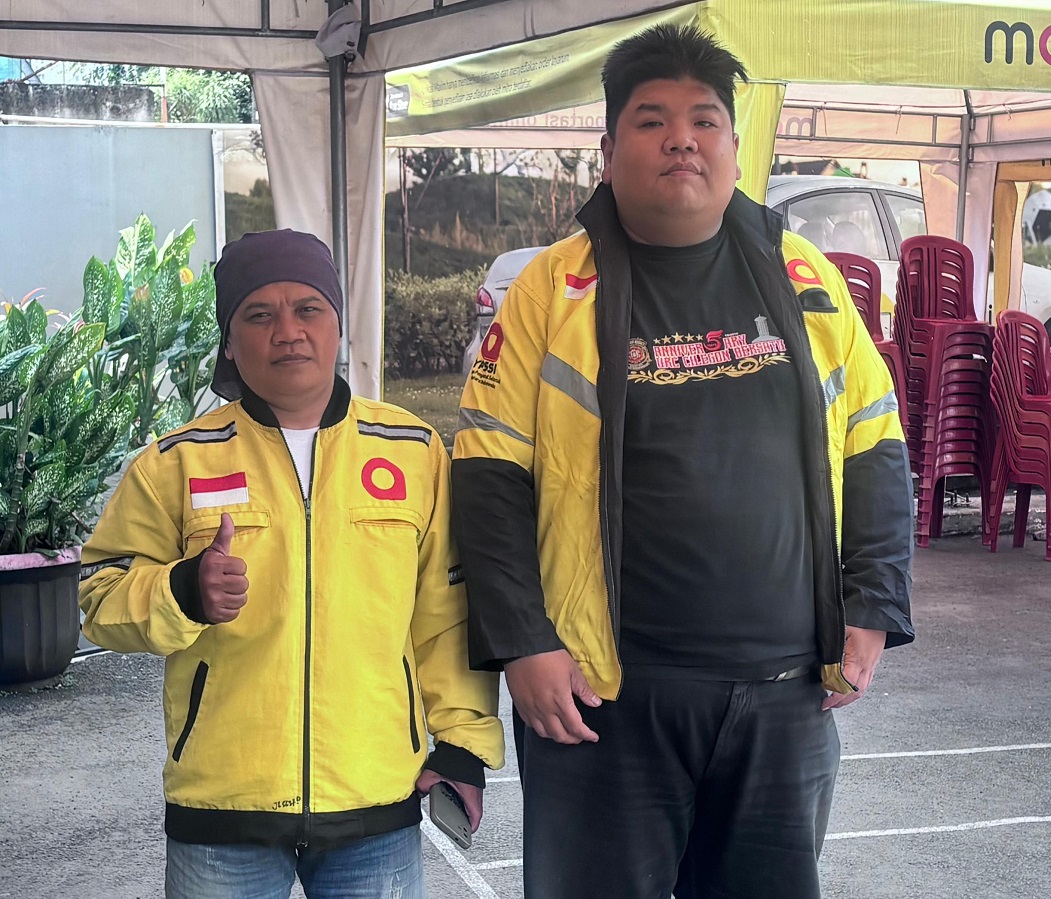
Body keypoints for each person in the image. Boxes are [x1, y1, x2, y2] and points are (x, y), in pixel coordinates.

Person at [451, 24, 913, 899]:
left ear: (734, 146)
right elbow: (487, 479)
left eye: (704, 120)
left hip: (782, 696)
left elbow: (875, 441)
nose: (681, 140)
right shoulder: (549, 290)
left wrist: (873, 606)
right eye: (652, 120)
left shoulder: (804, 278)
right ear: (608, 148)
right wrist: (521, 643)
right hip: (601, 699)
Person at [79, 229, 503, 899]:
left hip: (375, 807)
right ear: (229, 340)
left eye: (308, 309)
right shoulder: (176, 462)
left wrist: (462, 745)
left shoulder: (413, 450)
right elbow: (100, 596)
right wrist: (182, 590)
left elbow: (447, 614)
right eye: (259, 314)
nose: (287, 331)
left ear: (338, 324)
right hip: (222, 812)